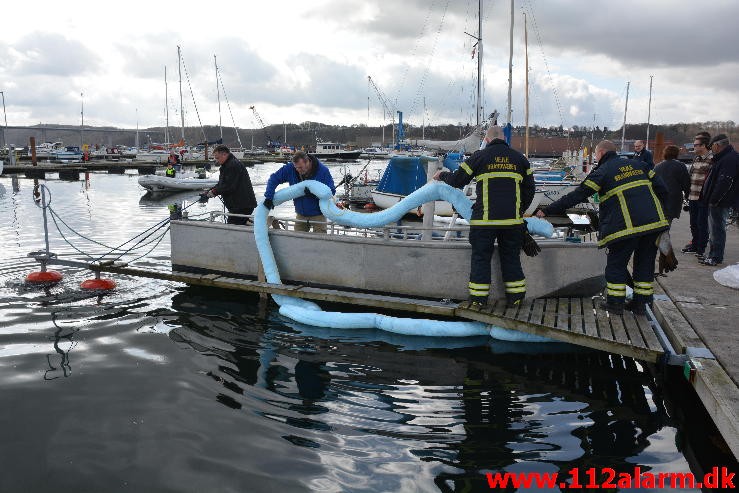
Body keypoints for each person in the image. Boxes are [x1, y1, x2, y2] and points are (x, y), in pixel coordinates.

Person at [536, 140, 669, 315]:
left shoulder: (602, 171)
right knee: (644, 266)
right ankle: (642, 305)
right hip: (653, 225)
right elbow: (663, 190)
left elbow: (579, 195)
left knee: (616, 266)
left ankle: (615, 304)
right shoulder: (641, 165)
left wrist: (547, 210)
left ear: (600, 153)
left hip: (625, 228)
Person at [433, 126, 535, 308]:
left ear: (487, 140)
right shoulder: (520, 159)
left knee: (481, 258)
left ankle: (479, 300)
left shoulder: (479, 157)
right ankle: (517, 298)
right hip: (512, 222)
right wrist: (518, 211)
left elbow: (458, 180)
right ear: (505, 139)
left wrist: (442, 175)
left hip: (484, 221)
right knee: (511, 258)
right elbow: (530, 190)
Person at [263, 151, 336, 233]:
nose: (298, 170)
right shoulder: (291, 168)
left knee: (320, 242)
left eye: (300, 167)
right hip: (300, 214)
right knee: (297, 241)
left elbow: (331, 191)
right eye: (296, 167)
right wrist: (269, 197)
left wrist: (314, 193)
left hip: (318, 214)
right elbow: (274, 178)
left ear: (307, 162)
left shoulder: (322, 171)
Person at [699, 134, 739, 266]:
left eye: (712, 146)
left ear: (717, 145)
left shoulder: (729, 159)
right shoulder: (724, 158)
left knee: (717, 229)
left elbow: (724, 182)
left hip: (720, 202)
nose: (711, 149)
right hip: (717, 201)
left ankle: (715, 256)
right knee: (715, 229)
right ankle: (712, 254)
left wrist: (714, 199)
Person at [202, 144, 257, 226]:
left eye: (217, 158)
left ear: (224, 154)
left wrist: (214, 192)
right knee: (237, 224)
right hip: (239, 205)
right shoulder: (227, 165)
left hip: (241, 205)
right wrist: (210, 191)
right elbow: (222, 184)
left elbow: (229, 186)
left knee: (232, 226)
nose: (216, 160)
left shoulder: (232, 165)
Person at [682, 133, 712, 256]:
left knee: (702, 223)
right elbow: (691, 177)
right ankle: (694, 245)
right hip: (692, 196)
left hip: (703, 198)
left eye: (695, 145)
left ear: (703, 145)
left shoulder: (712, 159)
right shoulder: (696, 158)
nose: (693, 147)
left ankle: (701, 248)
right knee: (693, 223)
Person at [653, 145, 690, 222]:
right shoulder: (681, 166)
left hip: (659, 198)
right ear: (676, 154)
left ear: (665, 153)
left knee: (661, 220)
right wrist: (687, 197)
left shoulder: (657, 167)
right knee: (668, 221)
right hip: (673, 199)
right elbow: (686, 184)